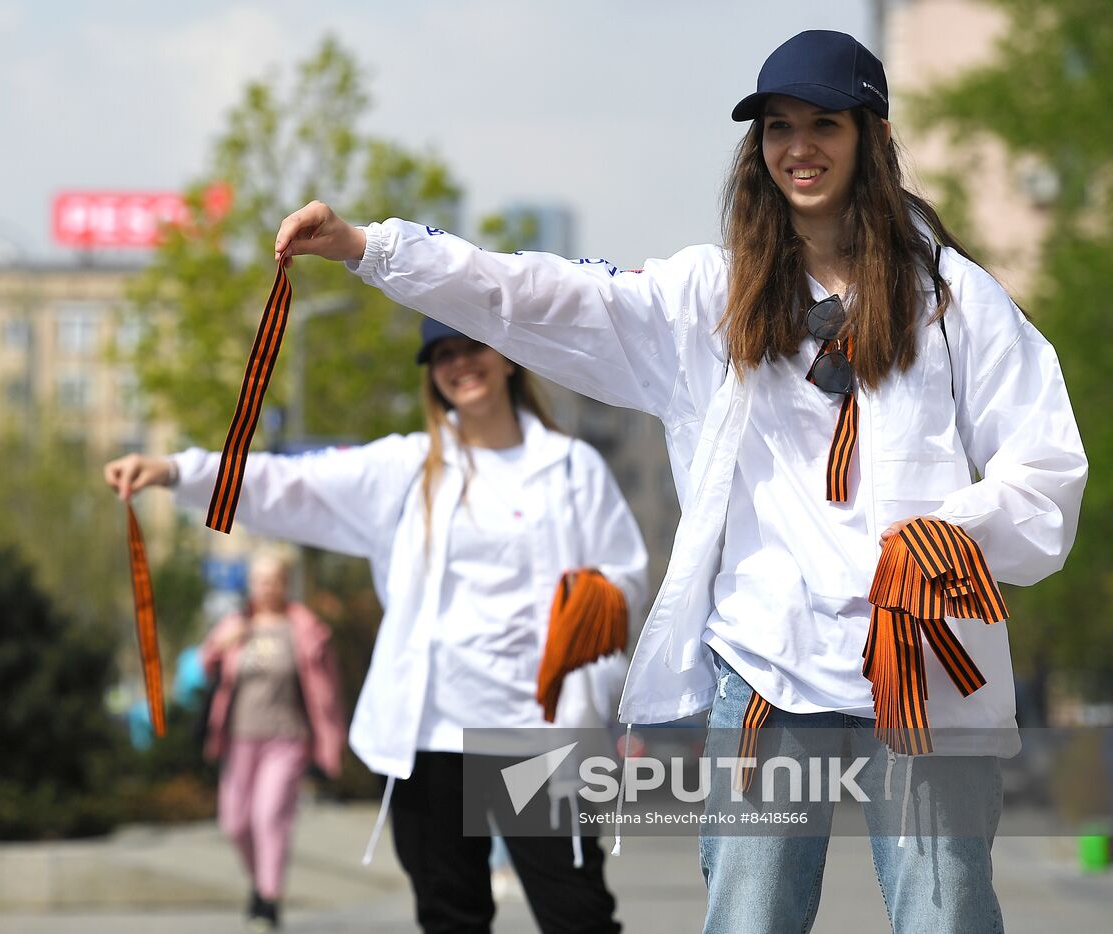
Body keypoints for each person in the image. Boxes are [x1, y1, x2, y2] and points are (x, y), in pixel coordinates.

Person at [270, 28, 1087, 934]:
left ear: (871, 137)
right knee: (749, 916)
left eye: (824, 123)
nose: (799, 147)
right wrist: (371, 249)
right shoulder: (710, 299)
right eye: (778, 127)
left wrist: (955, 535)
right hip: (771, 665)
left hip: (921, 664)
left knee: (948, 916)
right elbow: (536, 293)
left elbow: (1046, 463)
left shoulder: (953, 301)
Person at [105, 319, 649, 933]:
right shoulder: (407, 468)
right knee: (450, 918)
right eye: (442, 354)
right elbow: (290, 482)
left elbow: (624, 578)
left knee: (578, 917)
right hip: (430, 734)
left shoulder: (571, 468)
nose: (459, 364)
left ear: (508, 358)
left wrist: (590, 654)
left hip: (532, 735)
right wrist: (179, 472)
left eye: (473, 347)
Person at [194, 550, 345, 932]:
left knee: (269, 816)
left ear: (284, 584)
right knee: (235, 823)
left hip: (287, 738)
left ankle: (269, 901)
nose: (265, 588)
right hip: (239, 740)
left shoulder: (304, 627)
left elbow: (328, 692)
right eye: (258, 580)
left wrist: (331, 742)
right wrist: (221, 645)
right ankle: (261, 886)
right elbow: (199, 667)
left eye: (272, 580)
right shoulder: (234, 624)